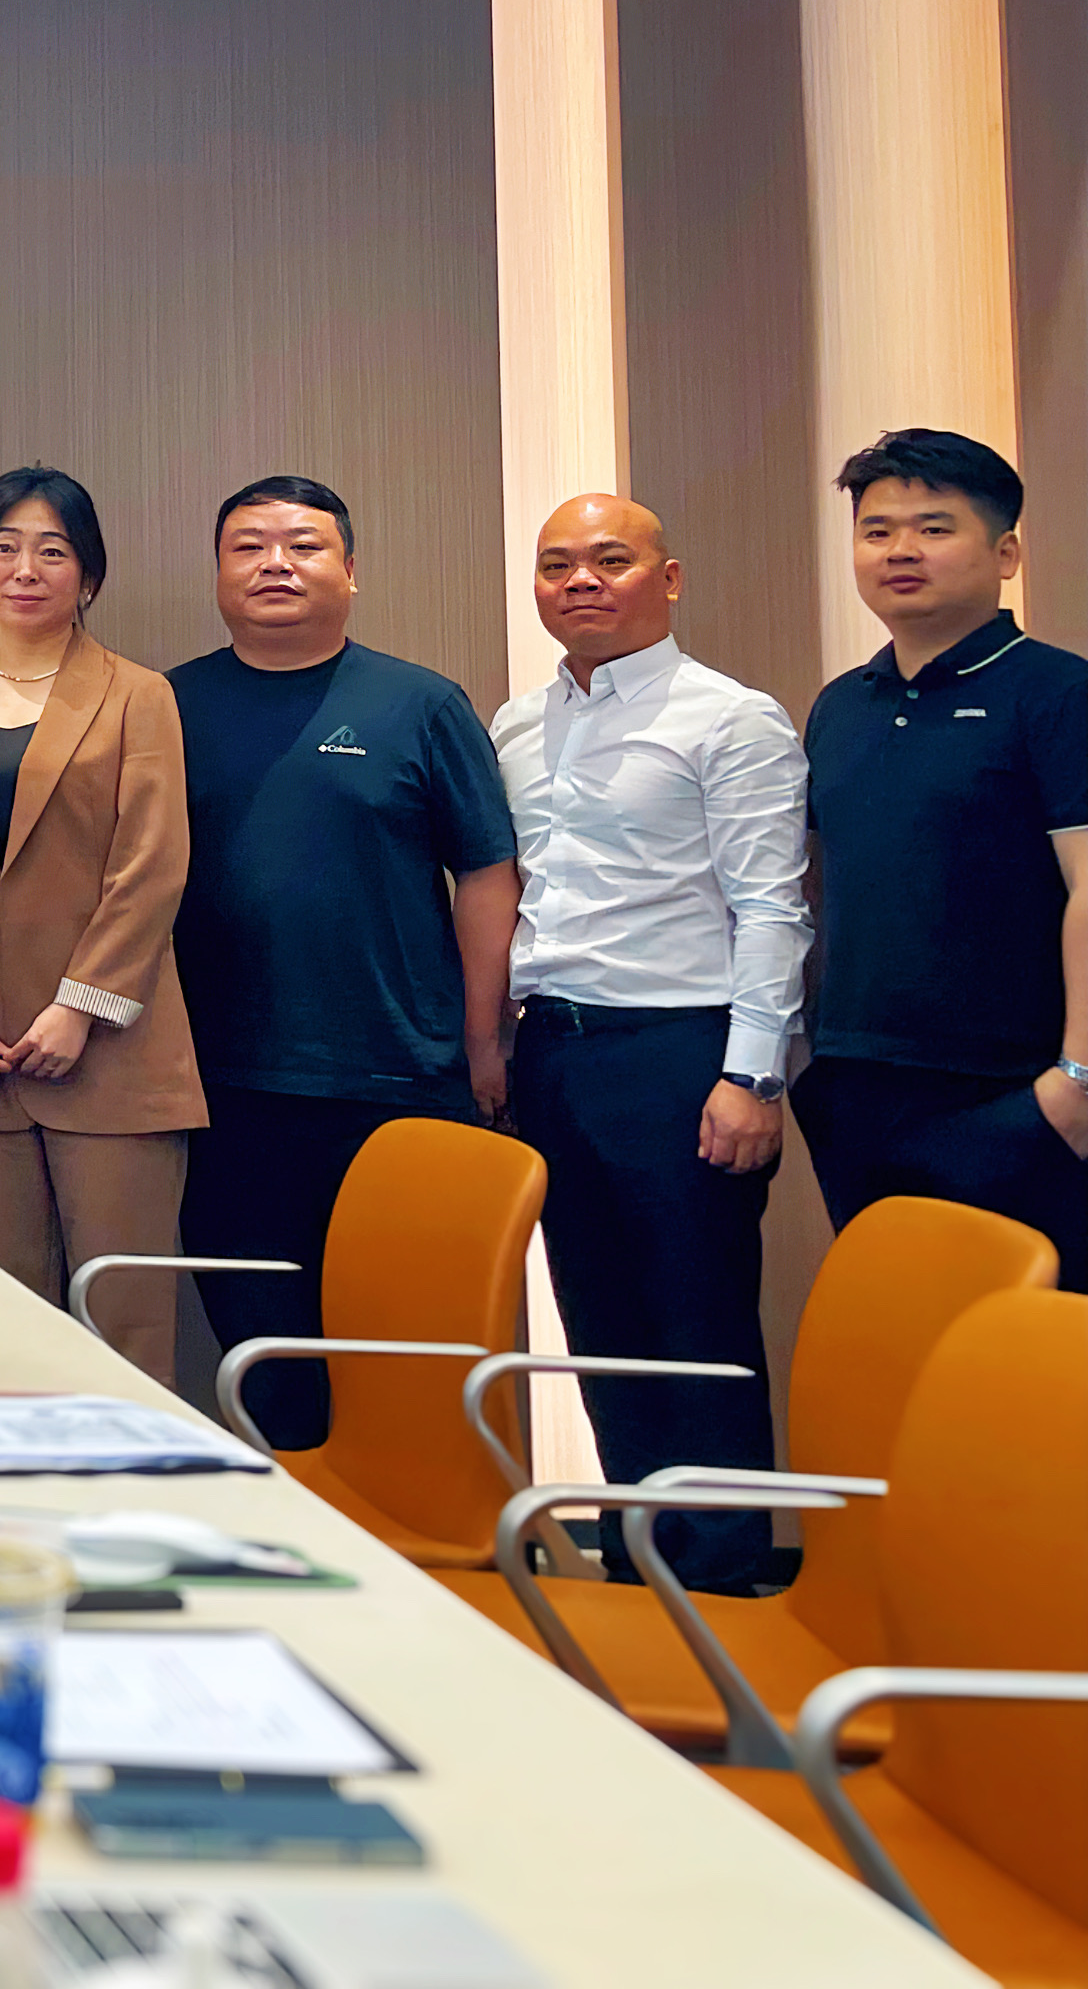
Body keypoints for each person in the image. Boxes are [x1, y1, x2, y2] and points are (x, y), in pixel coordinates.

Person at [488, 493, 807, 1587]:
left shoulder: (731, 718)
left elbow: (773, 908)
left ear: (666, 580)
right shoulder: (515, 725)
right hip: (553, 1051)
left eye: (609, 560)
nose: (580, 581)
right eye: (556, 564)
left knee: (696, 1319)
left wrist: (751, 1074)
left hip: (681, 1055)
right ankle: (638, 1561)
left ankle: (721, 1576)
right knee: (599, 1319)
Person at [168, 475, 518, 1442]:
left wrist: (483, 1039)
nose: (275, 564)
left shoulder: (421, 704)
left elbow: (487, 873)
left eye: (304, 545)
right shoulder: (167, 705)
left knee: (403, 1368)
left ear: (351, 570)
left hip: (398, 1080)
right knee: (265, 1370)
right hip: (223, 1090)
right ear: (218, 573)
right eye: (248, 546)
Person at [0, 468, 202, 1379]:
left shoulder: (137, 694)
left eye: (53, 551)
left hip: (110, 1051)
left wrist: (80, 1007)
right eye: (4, 548)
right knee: (5, 1316)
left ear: (89, 575)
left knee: (124, 1315)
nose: (25, 569)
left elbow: (151, 863)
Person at [798, 429, 1088, 1279]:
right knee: (892, 1335)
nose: (900, 550)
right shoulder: (840, 706)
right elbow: (815, 887)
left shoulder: (1057, 692)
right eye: (877, 530)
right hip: (854, 1087)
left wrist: (1076, 1081)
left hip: (1010, 1092)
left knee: (1024, 1348)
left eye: (934, 527)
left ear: (1005, 554)